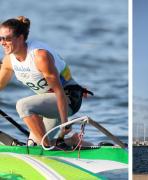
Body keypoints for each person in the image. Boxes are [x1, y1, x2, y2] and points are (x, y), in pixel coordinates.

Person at [0, 16, 93, 148]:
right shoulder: (9, 61)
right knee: (32, 145)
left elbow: (59, 91)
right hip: (49, 104)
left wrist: (65, 124)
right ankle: (71, 142)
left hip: (68, 99)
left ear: (20, 38)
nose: (3, 42)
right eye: (0, 38)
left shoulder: (40, 57)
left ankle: (47, 147)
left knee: (22, 105)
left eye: (7, 38)